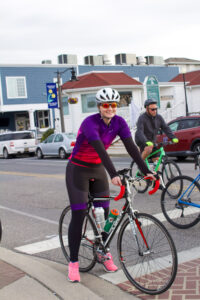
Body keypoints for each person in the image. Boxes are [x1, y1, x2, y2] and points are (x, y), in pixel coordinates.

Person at [66, 88, 156, 283]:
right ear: (99, 106)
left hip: (97, 169)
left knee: (105, 214)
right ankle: (73, 262)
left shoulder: (119, 123)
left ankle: (103, 252)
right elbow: (100, 150)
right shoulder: (89, 123)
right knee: (79, 213)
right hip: (78, 169)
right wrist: (113, 174)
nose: (110, 109)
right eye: (106, 105)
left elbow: (132, 148)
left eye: (113, 105)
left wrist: (146, 170)